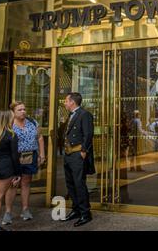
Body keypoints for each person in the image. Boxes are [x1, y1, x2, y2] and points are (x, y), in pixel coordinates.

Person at [1, 102, 45, 225]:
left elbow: (40, 138)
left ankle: (25, 209)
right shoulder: (8, 124)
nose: (23, 111)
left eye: (24, 109)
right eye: (20, 109)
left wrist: (42, 155)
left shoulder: (32, 122)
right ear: (13, 112)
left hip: (30, 156)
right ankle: (8, 212)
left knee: (26, 182)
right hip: (14, 158)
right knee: (13, 184)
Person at [61, 92, 95, 227]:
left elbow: (88, 134)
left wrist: (84, 151)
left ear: (72, 102)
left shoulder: (84, 114)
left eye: (66, 101)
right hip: (69, 154)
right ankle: (76, 210)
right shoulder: (71, 115)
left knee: (79, 184)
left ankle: (85, 213)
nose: (64, 103)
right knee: (70, 184)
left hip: (77, 154)